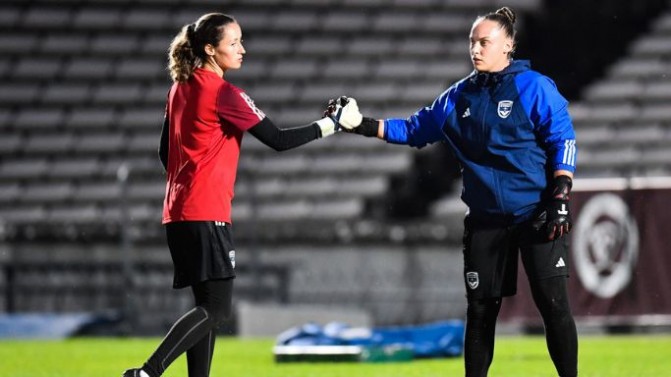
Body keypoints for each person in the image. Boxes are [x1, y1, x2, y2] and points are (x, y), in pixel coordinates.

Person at [333, 7, 578, 377]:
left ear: (508, 45)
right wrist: (361, 124)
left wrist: (560, 195)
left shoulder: (535, 87)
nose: (476, 50)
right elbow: (414, 130)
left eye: (485, 42)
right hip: (485, 221)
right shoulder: (457, 97)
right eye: (472, 43)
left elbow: (562, 139)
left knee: (553, 303)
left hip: (536, 213)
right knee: (480, 311)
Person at [122, 13, 359, 377]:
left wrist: (193, 170)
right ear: (210, 49)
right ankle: (147, 373)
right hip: (207, 212)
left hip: (178, 213)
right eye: (233, 43)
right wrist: (332, 124)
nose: (242, 49)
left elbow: (164, 153)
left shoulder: (178, 88)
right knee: (217, 310)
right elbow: (278, 140)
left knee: (205, 308)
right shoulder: (223, 93)